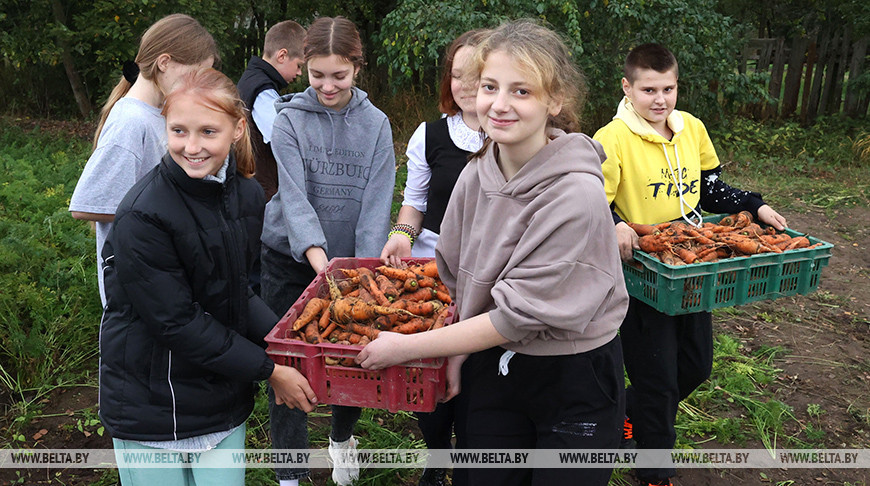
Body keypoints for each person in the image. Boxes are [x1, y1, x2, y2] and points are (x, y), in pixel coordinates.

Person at [358, 20, 628, 486]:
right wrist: (460, 355)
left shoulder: (577, 196)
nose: (499, 105)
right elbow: (461, 279)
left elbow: (516, 317)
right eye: (489, 87)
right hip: (494, 360)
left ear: (554, 101)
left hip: (573, 375)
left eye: (521, 91)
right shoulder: (475, 173)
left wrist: (407, 348)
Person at [98, 68, 317, 486]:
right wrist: (271, 371)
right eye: (178, 130)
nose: (192, 146)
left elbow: (238, 292)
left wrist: (291, 345)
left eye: (207, 132)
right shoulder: (143, 214)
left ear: (237, 129)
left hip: (220, 398)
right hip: (151, 404)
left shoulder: (249, 196)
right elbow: (176, 322)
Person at [592, 43, 788, 486]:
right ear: (627, 87)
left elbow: (710, 188)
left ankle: (629, 410)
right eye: (648, 90)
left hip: (691, 264)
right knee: (657, 376)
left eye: (668, 88)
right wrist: (616, 224)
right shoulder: (611, 138)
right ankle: (654, 471)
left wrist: (753, 205)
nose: (659, 99)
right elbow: (590, 203)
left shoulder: (691, 129)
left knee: (696, 366)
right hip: (643, 269)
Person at [260, 16, 396, 486]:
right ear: (304, 65)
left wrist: (361, 274)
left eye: (338, 75)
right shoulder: (289, 120)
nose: (326, 85)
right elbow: (294, 198)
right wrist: (322, 267)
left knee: (351, 359)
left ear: (357, 68)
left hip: (350, 267)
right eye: (317, 74)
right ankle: (290, 475)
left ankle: (341, 442)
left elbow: (377, 205)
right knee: (289, 367)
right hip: (289, 261)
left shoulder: (377, 125)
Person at [379, 29, 485, 486]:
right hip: (434, 269)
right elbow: (416, 198)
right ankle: (436, 455)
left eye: (476, 76)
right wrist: (402, 232)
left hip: (492, 272)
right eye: (456, 75)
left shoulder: (515, 134)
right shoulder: (432, 134)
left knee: (479, 374)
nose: (463, 86)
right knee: (432, 376)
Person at [69, 13, 218, 306]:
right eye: (195, 74)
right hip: (135, 292)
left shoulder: (159, 114)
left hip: (161, 282)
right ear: (164, 63)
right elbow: (88, 205)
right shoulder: (131, 121)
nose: (197, 85)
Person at [237, 20, 306, 202]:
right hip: (260, 190)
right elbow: (281, 138)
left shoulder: (253, 80)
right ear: (282, 55)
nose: (299, 73)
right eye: (299, 65)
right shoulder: (263, 91)